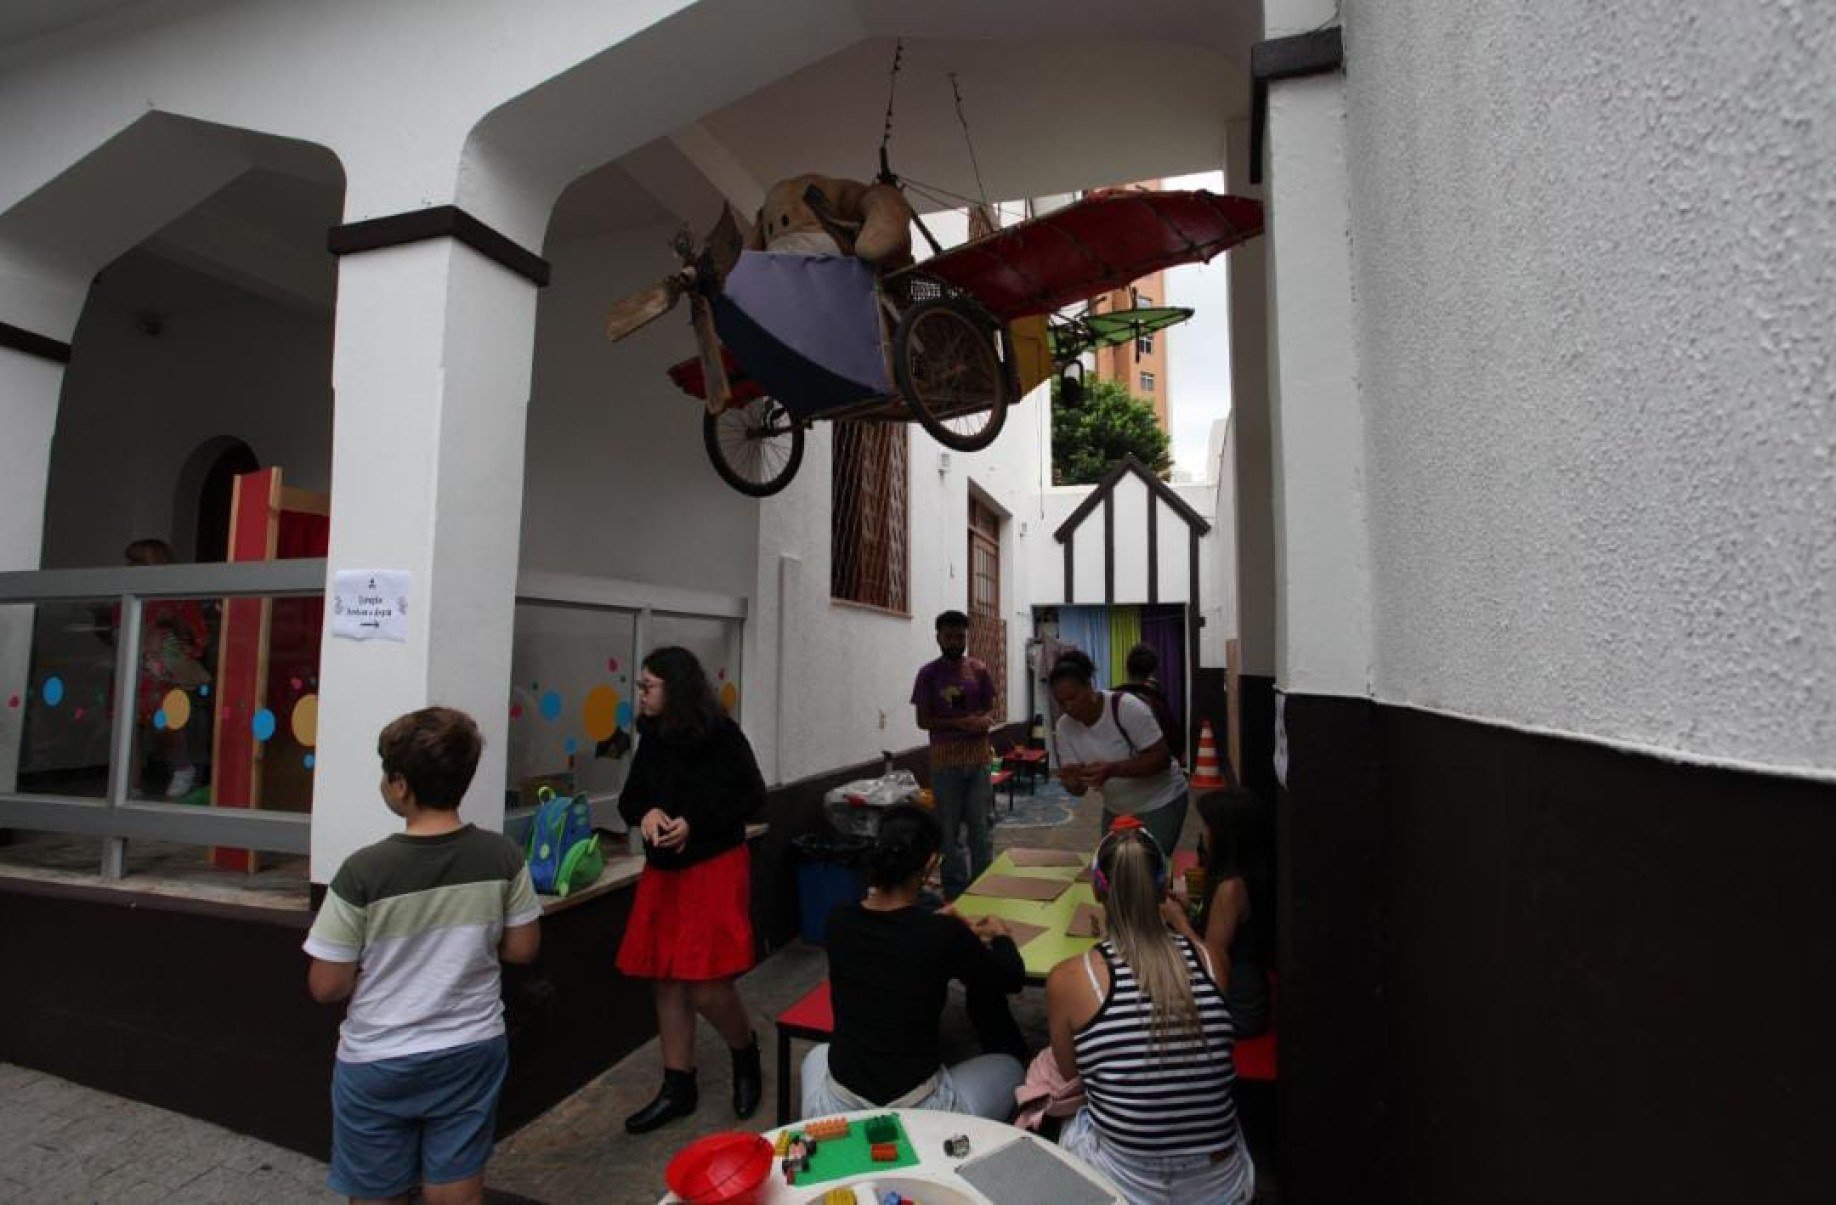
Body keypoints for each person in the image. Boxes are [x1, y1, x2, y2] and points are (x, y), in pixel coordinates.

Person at [303, 707, 542, 1205]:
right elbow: (523, 949)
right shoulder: (502, 857)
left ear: (399, 785)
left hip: (378, 1060)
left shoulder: (362, 871)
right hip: (471, 1049)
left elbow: (326, 986)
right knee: (456, 1192)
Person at [1045, 818, 1254, 1204]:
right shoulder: (1210, 961)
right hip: (1219, 1183)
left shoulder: (1071, 978)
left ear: (1096, 890)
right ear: (1164, 888)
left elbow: (1072, 1072)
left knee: (1051, 1081)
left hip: (1126, 1181)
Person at [616, 646, 767, 1133]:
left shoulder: (722, 735)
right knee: (667, 978)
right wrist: (647, 814)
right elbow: (631, 798)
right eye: (640, 686)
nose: (640, 695)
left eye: (648, 686)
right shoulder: (653, 738)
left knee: (705, 985)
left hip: (713, 867)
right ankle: (677, 1085)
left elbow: (752, 796)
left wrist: (694, 824)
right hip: (664, 874)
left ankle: (744, 1051)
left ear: (675, 689)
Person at [801, 804, 1027, 1119]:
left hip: (840, 1104)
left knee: (816, 1056)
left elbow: (893, 941)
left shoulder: (838, 921)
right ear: (931, 863)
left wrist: (946, 927)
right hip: (922, 1109)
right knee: (1010, 1066)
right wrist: (1000, 936)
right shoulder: (941, 934)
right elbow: (1011, 978)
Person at [1049, 650, 1190, 858]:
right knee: (1112, 868)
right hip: (1116, 808)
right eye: (1061, 702)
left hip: (1161, 801)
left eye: (1073, 697)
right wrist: (1073, 781)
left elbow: (1161, 759)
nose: (1068, 707)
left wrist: (1112, 769)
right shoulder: (1064, 727)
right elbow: (1078, 791)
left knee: (1145, 869)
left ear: (1089, 686)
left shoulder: (1125, 707)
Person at [1165, 788, 1273, 1038]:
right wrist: (1191, 905)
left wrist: (1179, 921)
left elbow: (1213, 963)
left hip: (1234, 1009)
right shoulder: (1245, 873)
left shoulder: (1231, 888)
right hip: (1238, 990)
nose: (1204, 835)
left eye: (1209, 828)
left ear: (1226, 836)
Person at [910, 609, 998, 899]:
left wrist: (984, 720)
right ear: (938, 638)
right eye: (949, 636)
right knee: (949, 836)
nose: (955, 641)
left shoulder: (979, 670)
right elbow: (923, 721)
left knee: (981, 832)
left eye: (960, 636)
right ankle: (956, 894)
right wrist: (959, 723)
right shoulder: (928, 674)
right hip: (944, 765)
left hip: (978, 763)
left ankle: (984, 889)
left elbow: (989, 708)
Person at [113, 538, 211, 797]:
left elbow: (197, 638)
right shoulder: (125, 595)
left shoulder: (178, 598)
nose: (130, 566)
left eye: (138, 561)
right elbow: (116, 633)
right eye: (129, 561)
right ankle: (128, 787)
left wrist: (173, 624)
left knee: (166, 726)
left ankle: (182, 769)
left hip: (165, 675)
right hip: (133, 669)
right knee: (127, 730)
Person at [1113, 642, 1185, 766]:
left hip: (1111, 772)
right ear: (1153, 671)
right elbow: (1174, 746)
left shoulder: (1111, 699)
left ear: (1127, 668)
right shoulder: (1157, 703)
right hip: (1149, 775)